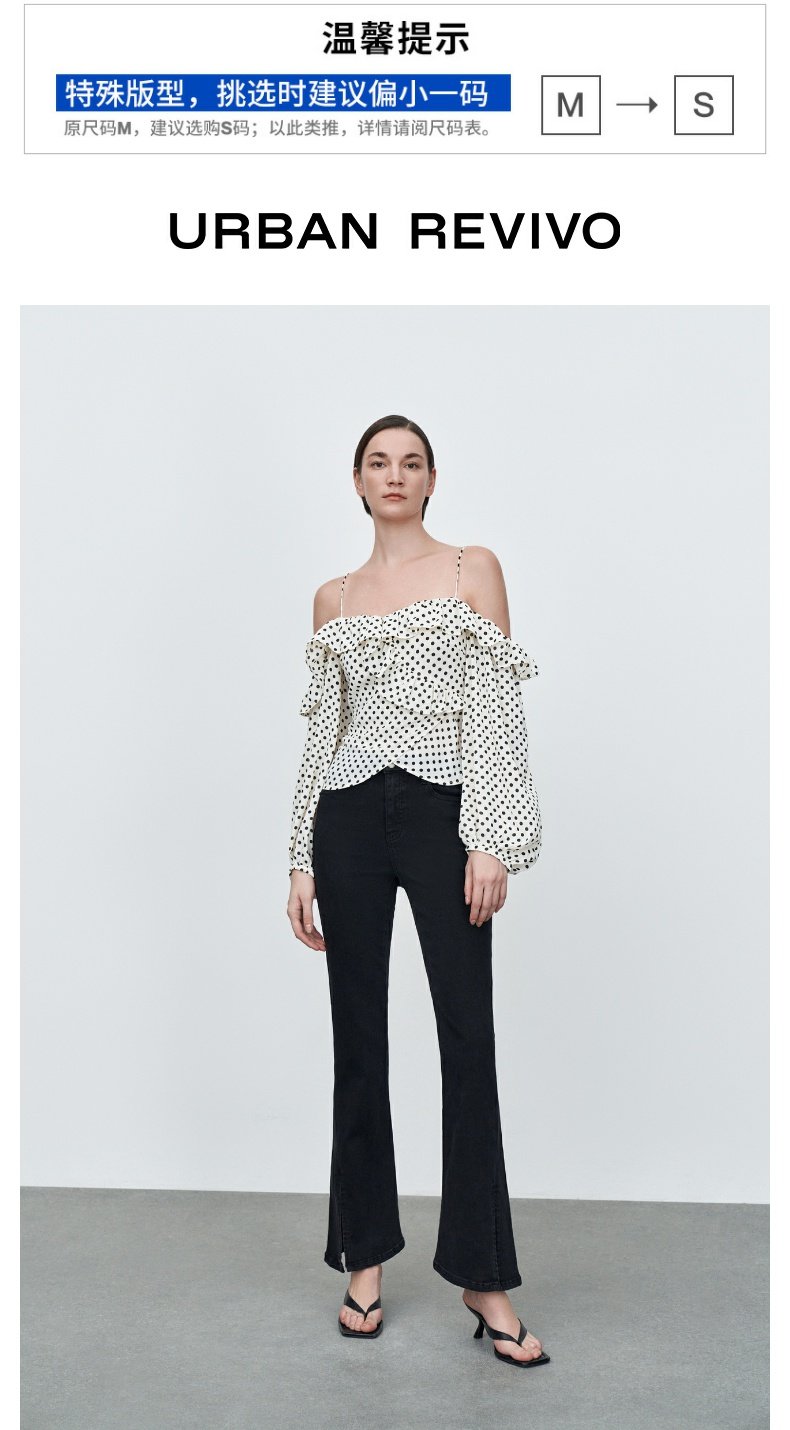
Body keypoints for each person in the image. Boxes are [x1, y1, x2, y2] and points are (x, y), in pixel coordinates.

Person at [286, 415, 549, 1368]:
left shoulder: (471, 569)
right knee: (357, 1041)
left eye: (411, 462)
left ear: (432, 479)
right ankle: (362, 1257)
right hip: (349, 818)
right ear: (358, 482)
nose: (394, 475)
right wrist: (300, 856)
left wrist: (490, 837)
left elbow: (497, 710)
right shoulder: (334, 596)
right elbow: (322, 731)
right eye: (377, 462)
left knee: (466, 1039)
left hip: (445, 813)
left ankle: (485, 1277)